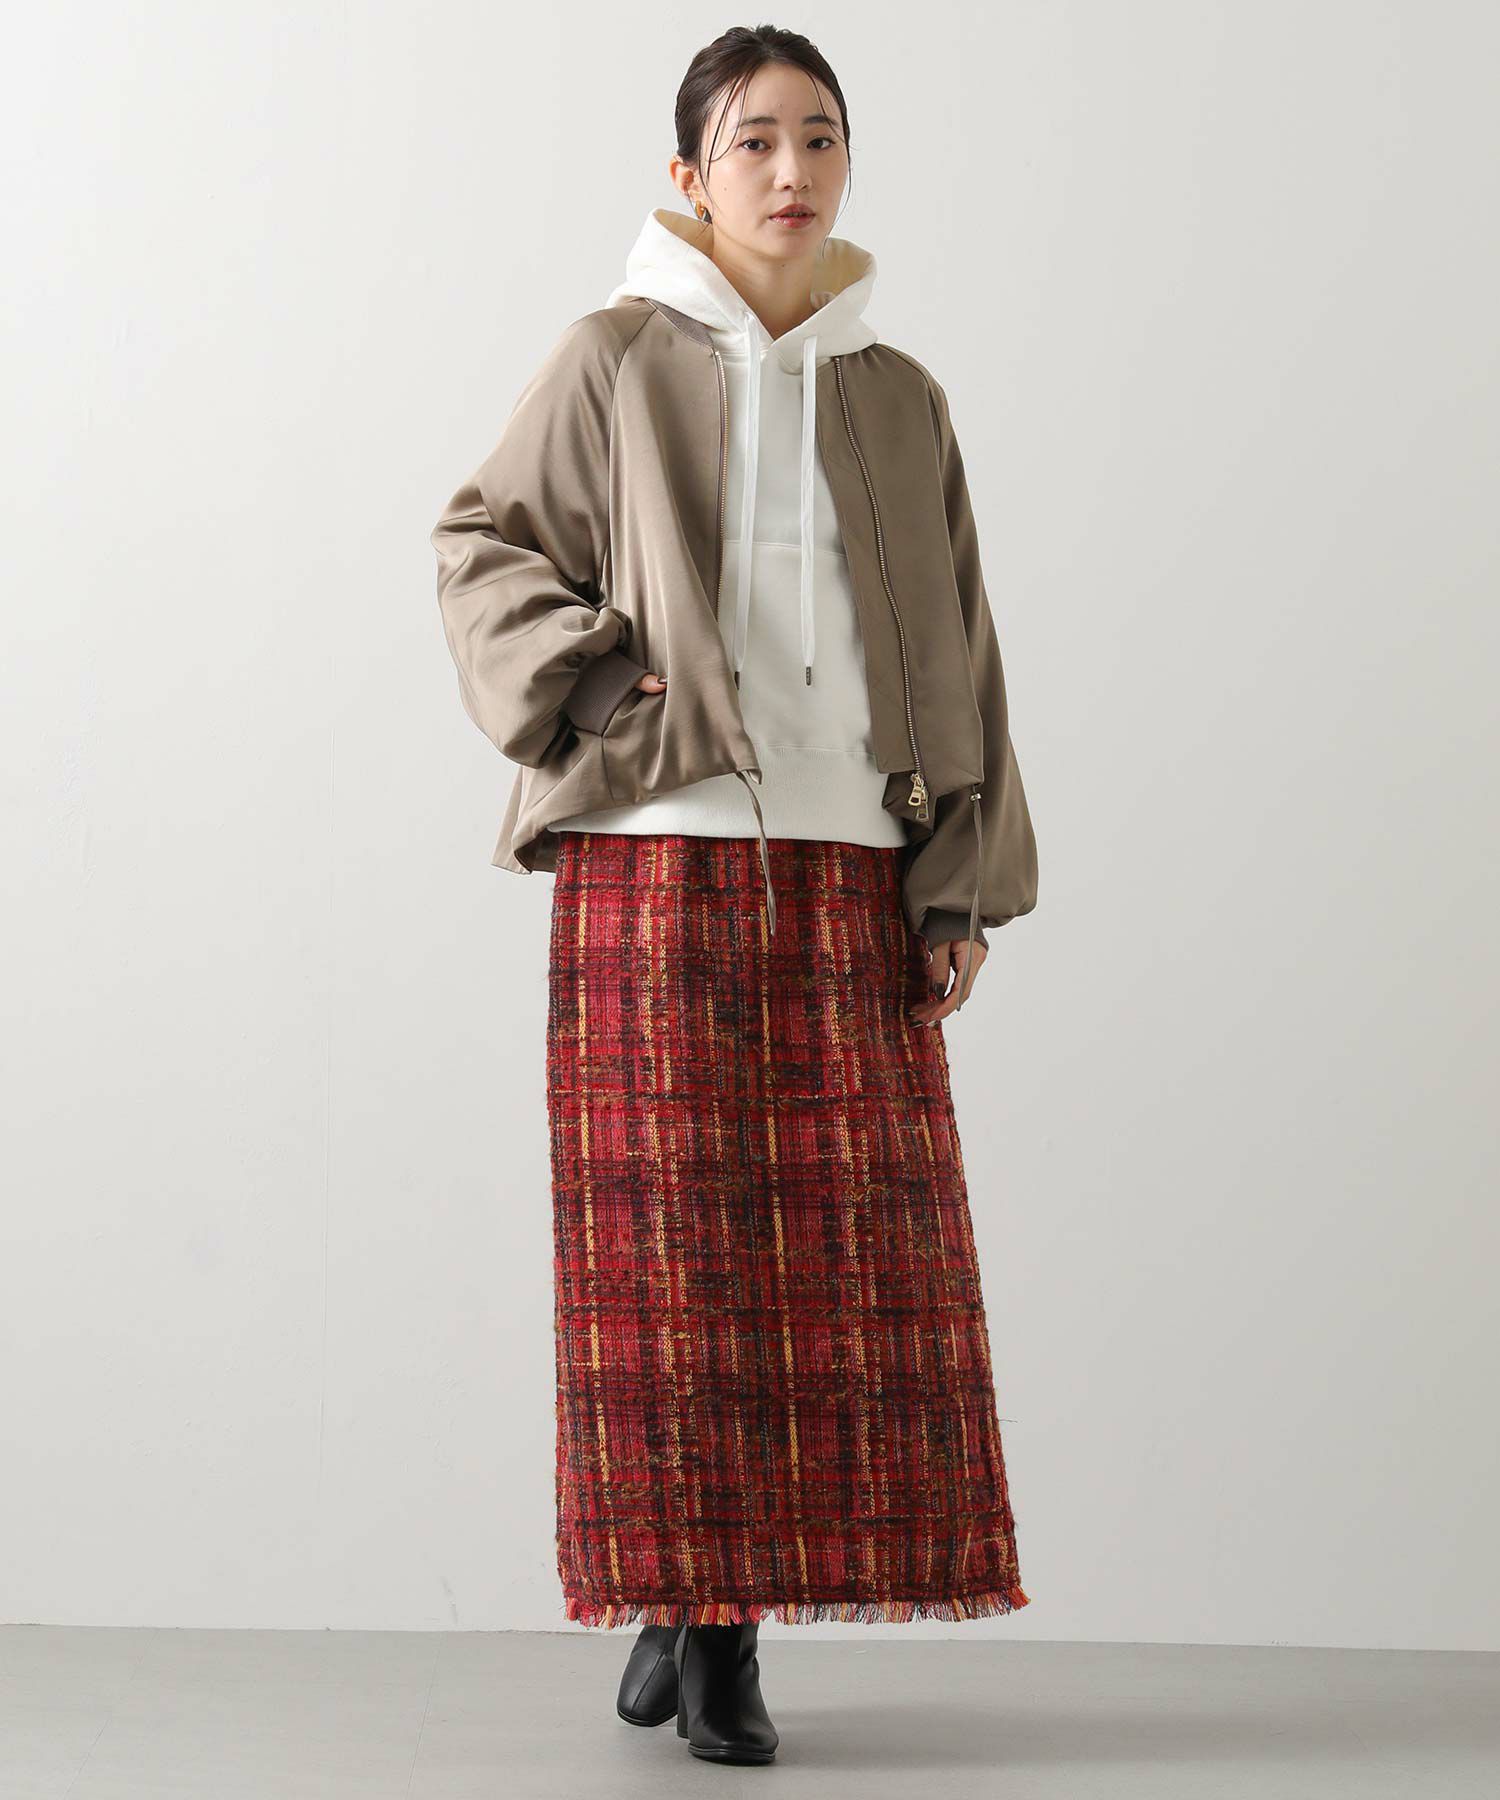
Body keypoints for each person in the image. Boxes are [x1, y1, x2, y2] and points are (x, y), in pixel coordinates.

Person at [430, 23, 1039, 1769]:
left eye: (820, 137)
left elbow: (965, 650)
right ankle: (715, 1639)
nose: (791, 170)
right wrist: (599, 682)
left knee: (845, 1274)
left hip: (853, 866)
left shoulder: (899, 394)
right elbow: (479, 544)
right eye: (754, 139)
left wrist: (954, 889)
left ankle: (691, 1604)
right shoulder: (614, 357)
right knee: (673, 1264)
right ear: (689, 174)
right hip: (655, 859)